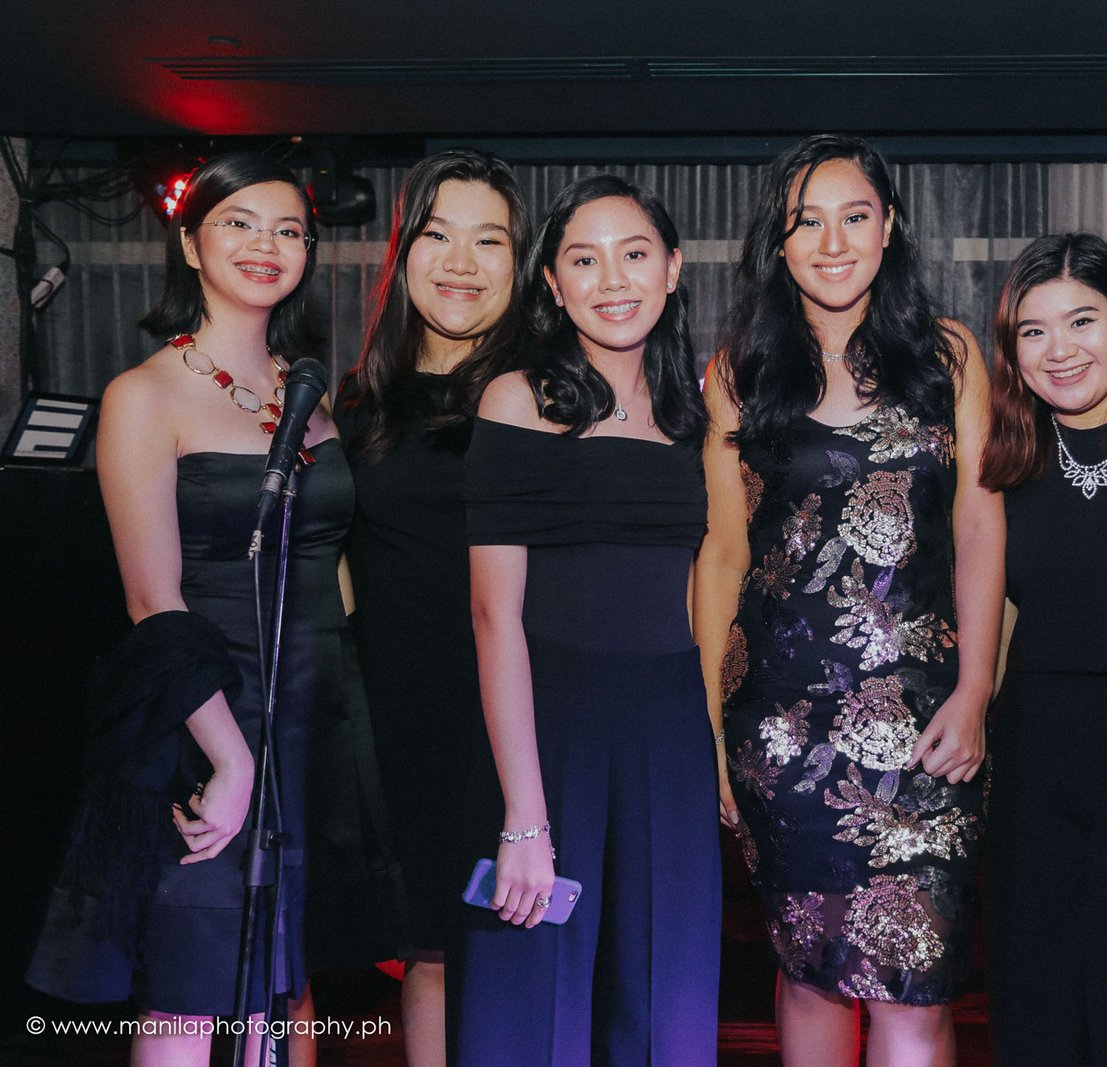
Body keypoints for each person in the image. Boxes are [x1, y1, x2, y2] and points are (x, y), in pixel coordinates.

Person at [24, 152, 391, 1066]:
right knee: (191, 990)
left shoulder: (310, 394)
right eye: (239, 223)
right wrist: (231, 756)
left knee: (291, 986)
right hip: (209, 715)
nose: (266, 244)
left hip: (318, 722)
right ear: (190, 243)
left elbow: (334, 567)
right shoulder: (144, 396)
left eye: (289, 229)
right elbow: (153, 598)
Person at [697, 133, 1004, 1066]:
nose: (832, 242)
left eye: (854, 216)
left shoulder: (949, 356)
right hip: (779, 726)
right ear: (779, 241)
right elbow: (723, 556)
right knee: (810, 973)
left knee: (917, 985)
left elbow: (981, 525)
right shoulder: (738, 373)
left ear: (890, 226)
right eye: (807, 222)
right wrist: (711, 732)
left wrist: (976, 691)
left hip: (926, 724)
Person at [450, 174, 720, 1065]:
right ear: (553, 285)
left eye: (634, 253)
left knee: (669, 1007)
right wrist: (525, 815)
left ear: (673, 267)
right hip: (549, 724)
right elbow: (493, 615)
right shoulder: (517, 399)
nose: (613, 279)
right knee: (531, 1010)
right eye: (584, 259)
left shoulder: (695, 415)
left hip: (670, 731)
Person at [335, 148, 535, 1067]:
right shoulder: (359, 403)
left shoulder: (545, 398)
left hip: (520, 717)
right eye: (437, 235)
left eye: (488, 240)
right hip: (397, 718)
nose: (460, 262)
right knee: (427, 952)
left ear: (520, 263)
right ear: (403, 252)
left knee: (520, 951)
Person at [977, 233, 1107, 1065]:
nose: (1059, 349)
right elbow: (989, 617)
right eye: (1034, 330)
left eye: (1081, 320)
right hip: (1035, 758)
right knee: (1037, 1006)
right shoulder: (1002, 458)